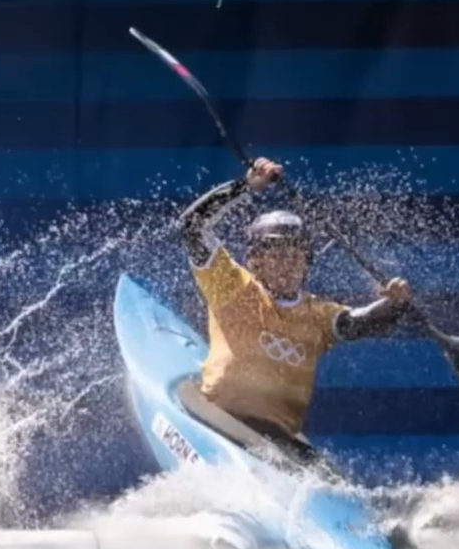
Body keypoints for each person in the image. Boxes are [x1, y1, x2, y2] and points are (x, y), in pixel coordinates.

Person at [174, 156, 414, 471]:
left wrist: (394, 303)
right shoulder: (230, 285)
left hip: (279, 443)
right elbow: (191, 226)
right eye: (276, 254)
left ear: (306, 261)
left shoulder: (319, 314)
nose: (287, 262)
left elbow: (360, 323)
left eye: (295, 254)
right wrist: (246, 187)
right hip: (222, 422)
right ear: (256, 261)